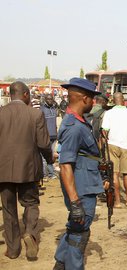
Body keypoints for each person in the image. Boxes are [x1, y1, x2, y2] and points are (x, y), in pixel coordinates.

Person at [53, 78, 103, 270]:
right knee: (79, 234)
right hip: (81, 190)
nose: (94, 103)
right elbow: (65, 165)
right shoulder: (74, 127)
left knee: (75, 228)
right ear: (84, 99)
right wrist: (75, 203)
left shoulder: (79, 122)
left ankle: (60, 263)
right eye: (92, 99)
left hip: (85, 184)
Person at [0, 81, 54, 260]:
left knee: (8, 209)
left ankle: (13, 249)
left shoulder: (1, 113)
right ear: (24, 94)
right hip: (29, 169)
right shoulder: (35, 114)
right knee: (30, 204)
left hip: (4, 170)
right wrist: (49, 158)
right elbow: (44, 143)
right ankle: (30, 233)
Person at [101, 92, 127, 207]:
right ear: (123, 100)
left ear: (112, 101)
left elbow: (104, 132)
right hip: (125, 146)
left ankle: (117, 202)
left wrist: (103, 148)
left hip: (112, 145)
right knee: (126, 173)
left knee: (114, 174)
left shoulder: (108, 113)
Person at [40, 94, 59, 180]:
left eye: (51, 99)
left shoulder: (55, 109)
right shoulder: (42, 110)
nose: (50, 101)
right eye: (48, 99)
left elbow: (55, 123)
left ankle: (51, 174)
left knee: (51, 155)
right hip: (46, 136)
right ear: (45, 100)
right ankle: (44, 175)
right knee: (44, 156)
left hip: (54, 136)